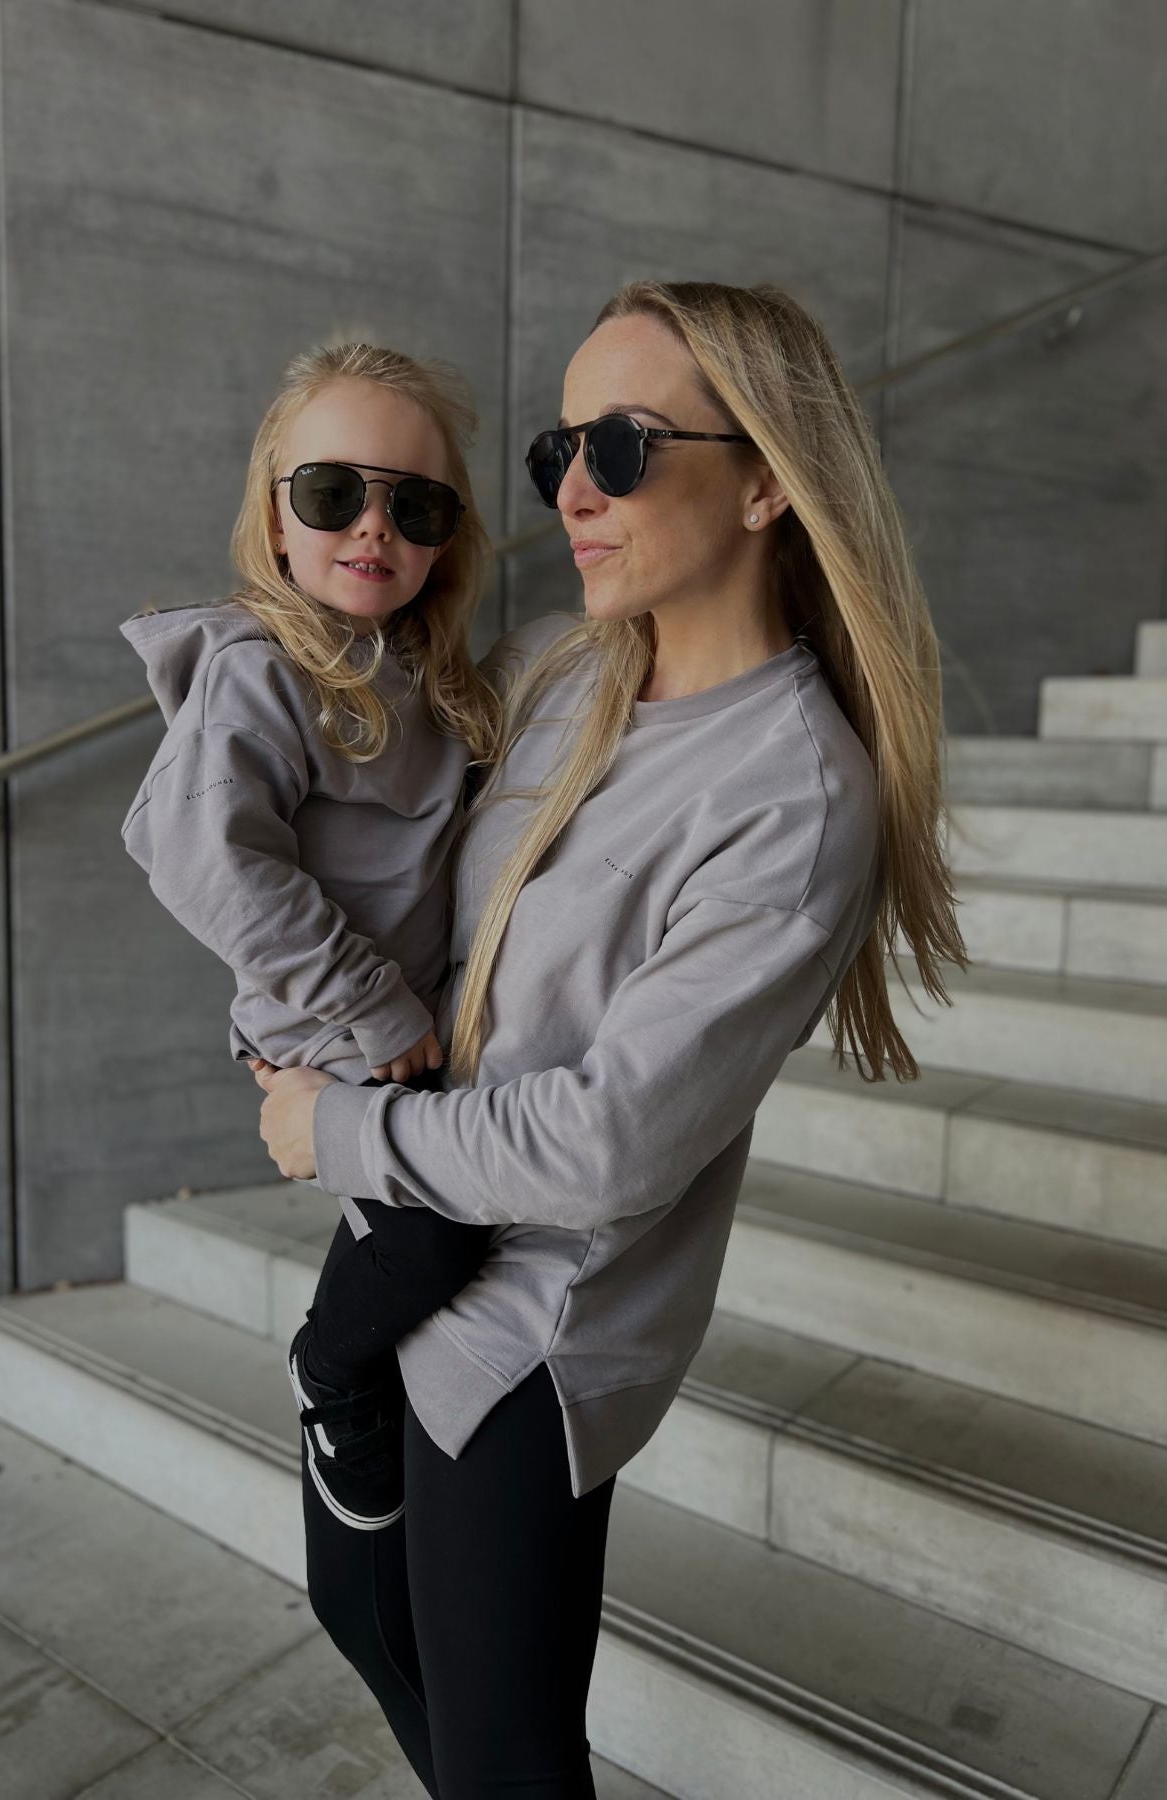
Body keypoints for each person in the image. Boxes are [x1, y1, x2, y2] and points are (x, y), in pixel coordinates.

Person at [253, 278, 969, 1798]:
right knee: (360, 1611)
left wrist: (338, 1128)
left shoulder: (794, 794)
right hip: (409, 1236)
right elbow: (386, 868)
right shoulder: (562, 670)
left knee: (506, 1758)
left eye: (625, 448)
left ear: (767, 479)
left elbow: (610, 1142)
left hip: (531, 1333)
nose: (574, 491)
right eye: (558, 450)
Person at [119, 339, 513, 1532]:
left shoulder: (425, 676)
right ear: (275, 518)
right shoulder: (263, 671)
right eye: (333, 493)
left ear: (446, 538)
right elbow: (205, 857)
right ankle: (330, 1371)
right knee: (437, 1236)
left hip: (403, 1025)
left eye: (414, 504)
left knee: (443, 1219)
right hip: (335, 1027)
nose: (372, 526)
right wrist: (373, 1008)